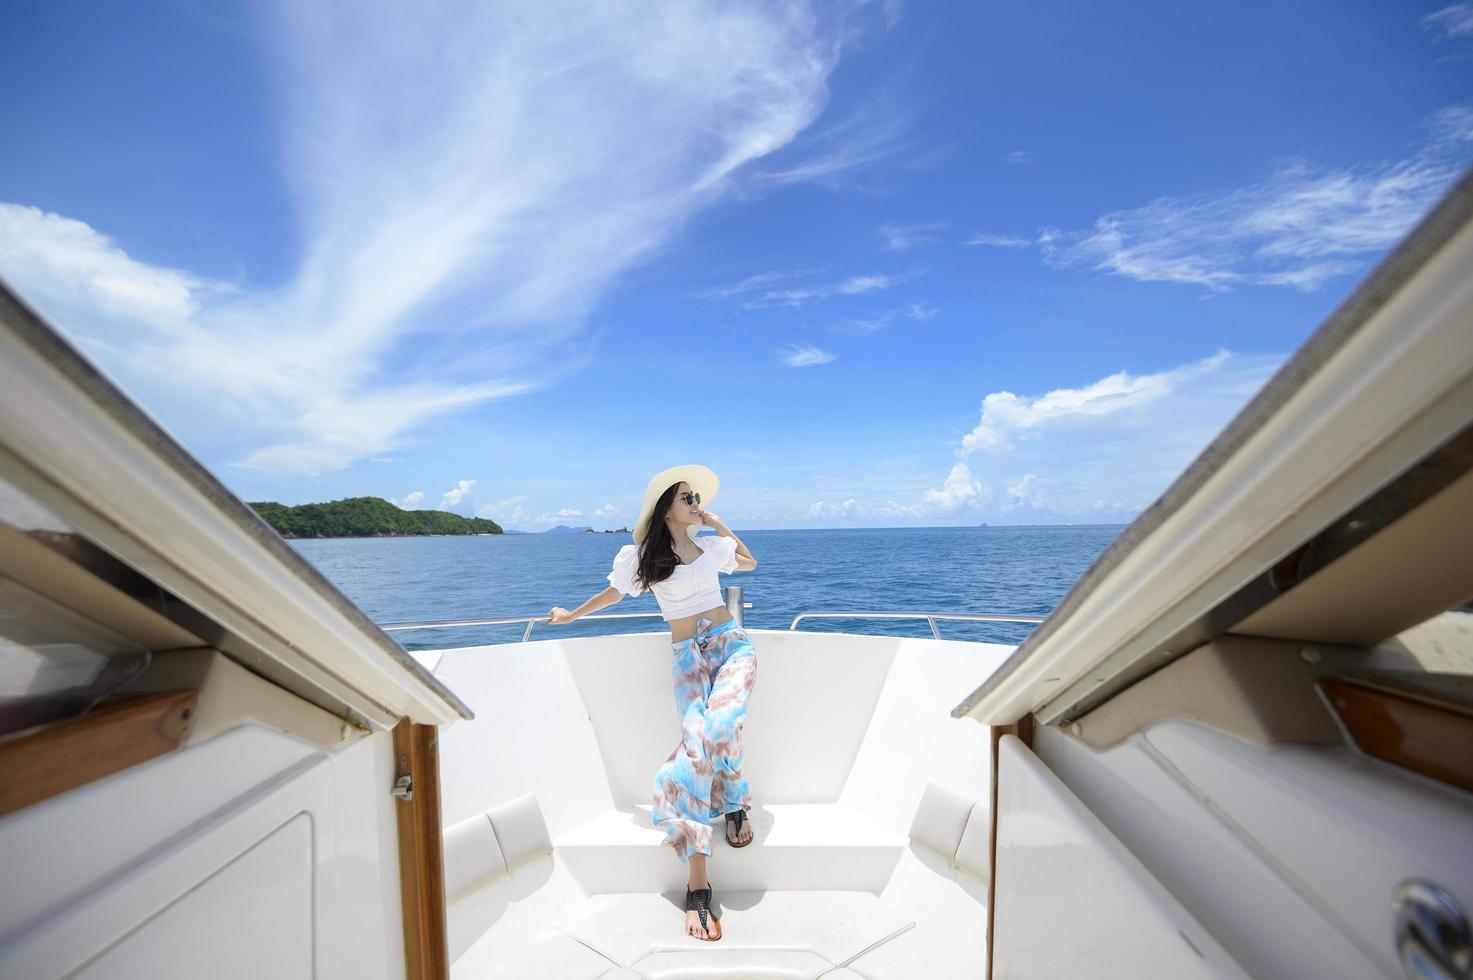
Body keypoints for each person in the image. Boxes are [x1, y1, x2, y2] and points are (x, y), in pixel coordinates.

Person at [545, 464, 759, 942]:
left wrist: (721, 526)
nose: (695, 502)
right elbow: (613, 593)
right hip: (688, 659)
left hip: (731, 645)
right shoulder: (641, 557)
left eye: (696, 496)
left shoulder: (709, 545)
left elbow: (748, 564)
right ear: (666, 507)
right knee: (694, 756)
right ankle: (698, 886)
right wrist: (573, 614)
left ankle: (735, 801)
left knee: (722, 724)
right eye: (687, 497)